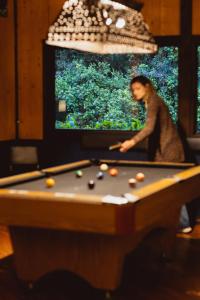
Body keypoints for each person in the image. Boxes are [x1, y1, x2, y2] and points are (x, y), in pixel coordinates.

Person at [120, 75, 192, 233]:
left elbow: (149, 128)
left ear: (147, 86)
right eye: (133, 90)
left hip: (170, 154)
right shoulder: (150, 102)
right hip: (163, 154)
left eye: (138, 88)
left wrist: (131, 142)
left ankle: (184, 224)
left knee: (173, 189)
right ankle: (164, 222)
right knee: (165, 189)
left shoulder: (154, 101)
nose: (135, 93)